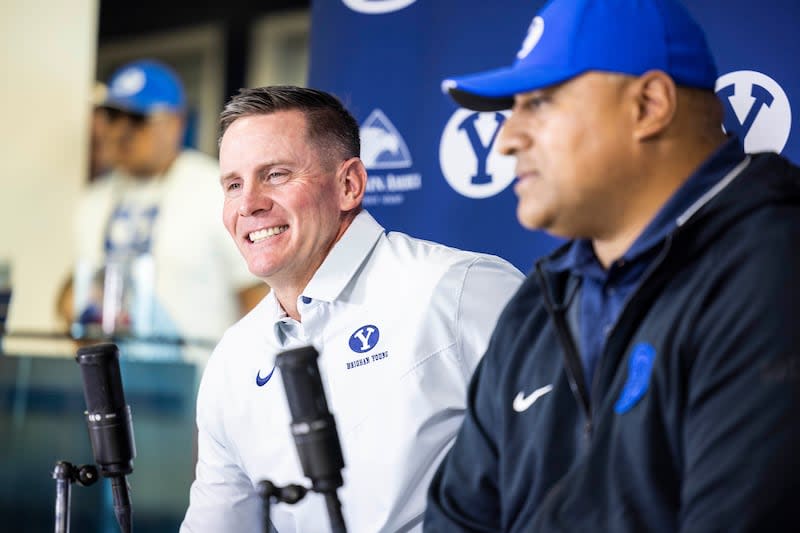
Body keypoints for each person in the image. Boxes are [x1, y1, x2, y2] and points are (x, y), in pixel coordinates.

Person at [425, 0, 800, 531]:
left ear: (649, 105)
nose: (506, 139)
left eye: (540, 103)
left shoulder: (774, 270)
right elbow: (458, 519)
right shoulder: (542, 300)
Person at [179, 86, 524, 532]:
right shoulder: (233, 357)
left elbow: (562, 474)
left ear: (349, 184)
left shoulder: (459, 290)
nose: (248, 204)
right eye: (233, 185)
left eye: (277, 175)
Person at [70, 59, 266, 363]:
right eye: (112, 115)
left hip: (198, 387)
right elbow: (81, 288)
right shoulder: (93, 201)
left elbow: (257, 295)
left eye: (137, 119)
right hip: (111, 382)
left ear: (176, 123)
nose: (120, 130)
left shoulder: (218, 189)